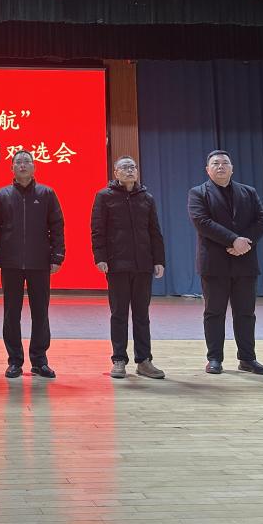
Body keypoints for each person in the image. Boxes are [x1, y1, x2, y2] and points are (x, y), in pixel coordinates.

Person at [187, 150, 263, 375]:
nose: (221, 166)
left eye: (225, 163)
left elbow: (261, 220)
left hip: (245, 261)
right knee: (214, 313)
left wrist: (245, 242)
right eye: (215, 163)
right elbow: (202, 222)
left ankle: (247, 359)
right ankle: (214, 358)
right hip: (214, 263)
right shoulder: (197, 193)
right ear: (208, 170)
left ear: (232, 168)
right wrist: (234, 240)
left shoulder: (249, 192)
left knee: (246, 313)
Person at [0, 149, 65, 379]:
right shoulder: (2, 195)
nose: (22, 165)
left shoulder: (46, 193)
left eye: (26, 161)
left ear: (34, 167)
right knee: (11, 313)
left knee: (40, 313)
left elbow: (57, 226)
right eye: (18, 162)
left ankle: (39, 361)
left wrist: (57, 256)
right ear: (11, 168)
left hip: (39, 262)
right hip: (10, 263)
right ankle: (14, 361)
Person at [90, 156, 166, 380]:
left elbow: (154, 231)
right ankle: (119, 359)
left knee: (142, 314)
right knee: (119, 314)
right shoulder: (105, 196)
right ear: (116, 173)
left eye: (133, 167)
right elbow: (97, 229)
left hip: (143, 264)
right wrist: (100, 257)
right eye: (124, 167)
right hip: (117, 264)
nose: (130, 170)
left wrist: (159, 260)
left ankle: (144, 361)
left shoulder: (146, 198)